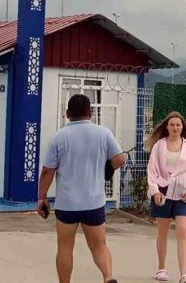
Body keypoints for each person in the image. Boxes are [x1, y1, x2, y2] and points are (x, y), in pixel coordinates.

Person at [37, 94, 125, 283]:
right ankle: (108, 277)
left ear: (67, 113)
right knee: (99, 245)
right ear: (90, 112)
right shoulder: (103, 133)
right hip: (93, 202)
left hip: (67, 204)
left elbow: (47, 171)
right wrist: (105, 171)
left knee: (65, 247)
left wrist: (42, 197)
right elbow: (120, 159)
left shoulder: (59, 137)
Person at [146, 112, 186, 283]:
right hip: (162, 193)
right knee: (162, 231)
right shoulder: (159, 146)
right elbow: (152, 170)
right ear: (167, 127)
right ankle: (161, 268)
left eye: (178, 125)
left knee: (182, 230)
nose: (175, 128)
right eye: (172, 125)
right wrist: (154, 191)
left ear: (182, 127)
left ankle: (184, 273)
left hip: (183, 195)